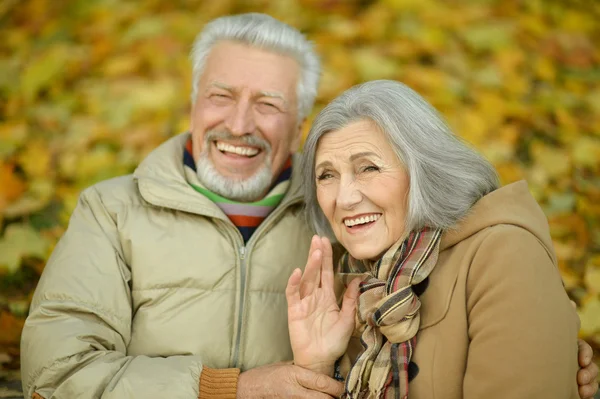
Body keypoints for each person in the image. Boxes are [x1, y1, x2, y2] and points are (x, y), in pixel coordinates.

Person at [19, 13, 597, 399]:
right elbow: (52, 374)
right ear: (193, 102)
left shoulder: (344, 232)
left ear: (300, 122)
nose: (239, 123)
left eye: (268, 104)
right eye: (221, 96)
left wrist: (547, 354)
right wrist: (229, 389)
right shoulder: (112, 210)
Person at [286, 79, 598, 398]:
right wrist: (317, 368)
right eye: (327, 175)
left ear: (423, 170)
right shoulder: (340, 283)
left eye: (368, 168)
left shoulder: (503, 255)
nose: (344, 198)